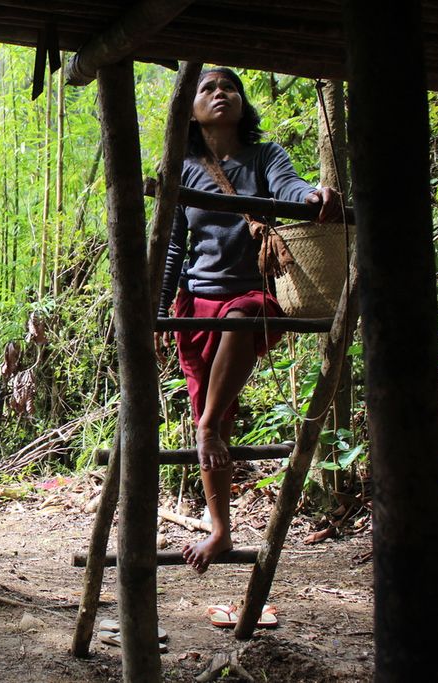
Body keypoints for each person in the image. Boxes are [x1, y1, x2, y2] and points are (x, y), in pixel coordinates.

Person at [157, 67, 342, 573]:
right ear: (189, 110)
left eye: (229, 87)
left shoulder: (265, 155)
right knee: (208, 405)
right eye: (207, 88)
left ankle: (209, 428)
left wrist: (312, 194)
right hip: (197, 301)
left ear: (243, 103)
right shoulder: (182, 166)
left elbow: (289, 186)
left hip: (253, 294)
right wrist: (158, 308)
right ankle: (220, 530)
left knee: (243, 326)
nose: (220, 93)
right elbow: (174, 244)